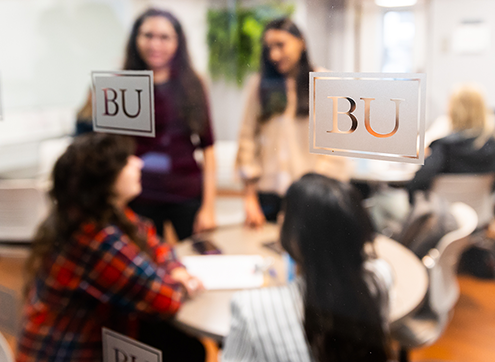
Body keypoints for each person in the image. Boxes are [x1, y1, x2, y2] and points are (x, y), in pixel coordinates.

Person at [16, 133, 205, 362]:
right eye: (127, 160)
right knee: (184, 348)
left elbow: (155, 244)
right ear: (105, 181)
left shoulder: (98, 213)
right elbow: (167, 299)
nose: (139, 162)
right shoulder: (95, 238)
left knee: (181, 344)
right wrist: (184, 281)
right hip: (67, 354)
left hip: (86, 342)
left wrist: (175, 270)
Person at [76, 8, 216, 240]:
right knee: (147, 263)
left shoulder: (192, 84)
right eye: (148, 35)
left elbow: (208, 146)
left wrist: (209, 207)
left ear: (177, 42)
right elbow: (109, 149)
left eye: (164, 37)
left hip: (186, 192)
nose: (155, 44)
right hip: (140, 196)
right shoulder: (121, 85)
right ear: (135, 39)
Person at [222, 173, 394, 362]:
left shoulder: (250, 308)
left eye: (284, 213)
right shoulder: (380, 278)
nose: (280, 218)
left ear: (294, 236)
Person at [236, 18, 350, 227]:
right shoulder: (260, 84)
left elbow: (337, 149)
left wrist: (311, 195)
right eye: (269, 48)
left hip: (309, 196)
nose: (274, 55)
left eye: (280, 45)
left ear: (302, 42)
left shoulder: (324, 82)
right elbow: (247, 139)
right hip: (267, 196)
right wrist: (249, 197)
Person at [406, 84, 495, 202]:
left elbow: (417, 184)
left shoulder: (444, 147)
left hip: (443, 216)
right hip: (479, 213)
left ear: (453, 109)